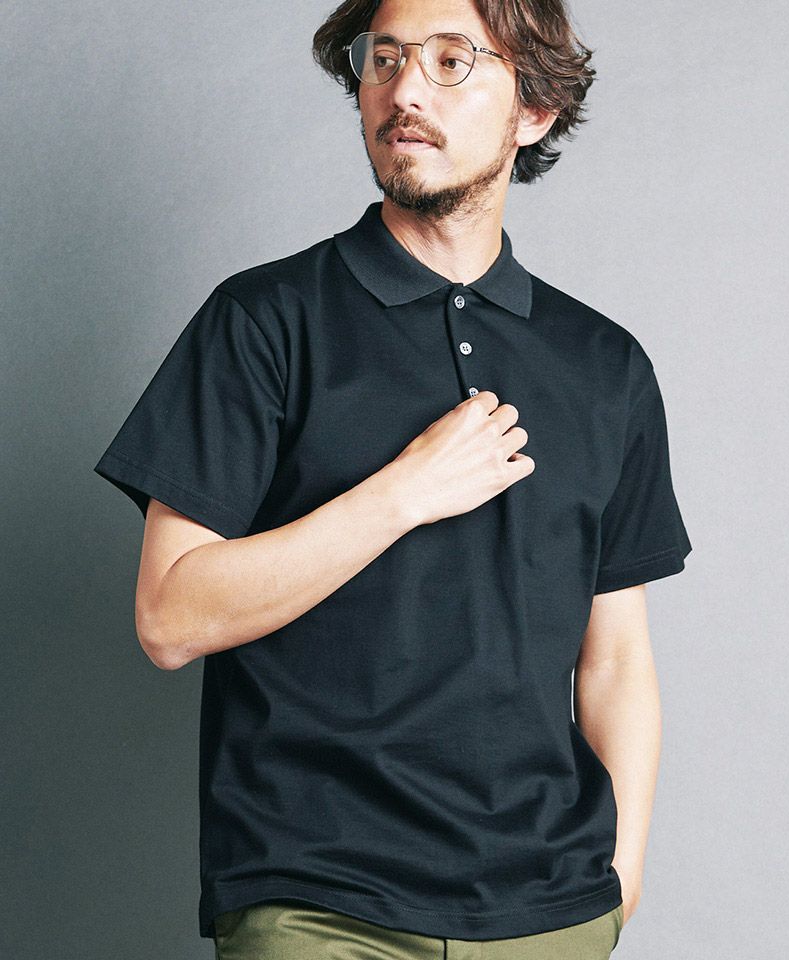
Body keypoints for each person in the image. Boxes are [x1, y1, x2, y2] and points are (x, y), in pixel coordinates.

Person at [93, 0, 692, 957]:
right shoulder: (262, 321)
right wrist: (401, 494)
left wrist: (620, 882)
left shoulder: (604, 365)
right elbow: (170, 617)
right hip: (316, 903)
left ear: (534, 109)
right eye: (386, 58)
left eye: (452, 61)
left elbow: (615, 658)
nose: (406, 90)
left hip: (551, 913)